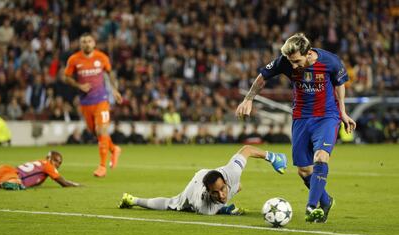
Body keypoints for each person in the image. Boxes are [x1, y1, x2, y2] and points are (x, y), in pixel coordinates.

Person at [236, 33, 356, 223]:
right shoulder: (285, 61)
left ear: (308, 53)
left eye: (297, 61)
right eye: (291, 61)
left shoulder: (331, 61)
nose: (293, 66)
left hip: (327, 116)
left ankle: (311, 207)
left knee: (321, 157)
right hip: (301, 117)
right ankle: (326, 201)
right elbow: (262, 77)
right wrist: (248, 99)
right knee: (304, 171)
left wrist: (342, 112)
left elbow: (340, 83)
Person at [118, 145, 287, 215]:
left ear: (225, 182)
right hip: (198, 182)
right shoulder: (203, 206)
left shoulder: (232, 172)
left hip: (212, 174)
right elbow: (215, 206)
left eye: (223, 189)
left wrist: (271, 157)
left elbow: (247, 149)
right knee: (174, 203)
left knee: (239, 186)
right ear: (209, 193)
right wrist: (226, 210)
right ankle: (132, 200)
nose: (221, 195)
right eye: (216, 193)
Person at [64, 33, 123, 177]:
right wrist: (79, 85)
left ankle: (102, 167)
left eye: (89, 41)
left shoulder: (102, 57)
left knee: (101, 130)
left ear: (94, 43)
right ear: (80, 44)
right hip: (85, 102)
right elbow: (67, 77)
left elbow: (110, 74)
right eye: (83, 41)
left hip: (102, 100)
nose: (86, 44)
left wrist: (114, 89)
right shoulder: (74, 59)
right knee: (96, 133)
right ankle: (114, 149)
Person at [0, 151, 80, 190]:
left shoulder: (40, 162)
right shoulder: (48, 165)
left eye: (60, 163)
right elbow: (63, 183)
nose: (58, 165)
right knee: (14, 186)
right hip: (11, 175)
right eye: (56, 161)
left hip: (4, 171)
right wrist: (77, 185)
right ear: (49, 158)